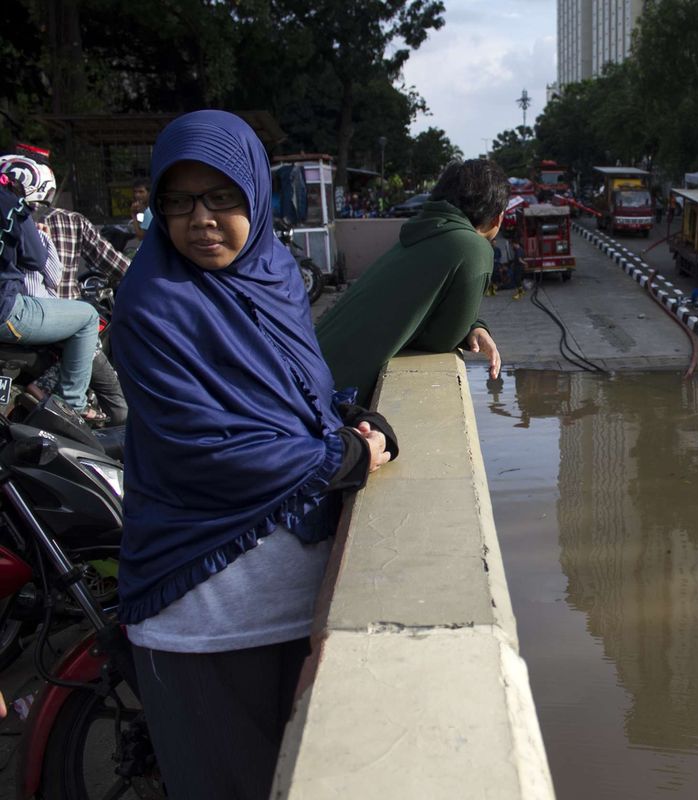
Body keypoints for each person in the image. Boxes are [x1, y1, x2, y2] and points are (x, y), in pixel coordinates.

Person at [109, 110, 396, 799]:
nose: (200, 219)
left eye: (222, 198)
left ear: (258, 200)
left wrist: (356, 419)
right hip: (204, 615)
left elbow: (300, 394)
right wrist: (343, 459)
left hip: (298, 604)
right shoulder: (151, 305)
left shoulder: (273, 279)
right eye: (177, 202)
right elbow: (200, 453)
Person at [317, 159, 506, 398]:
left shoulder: (424, 231)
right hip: (325, 398)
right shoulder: (473, 248)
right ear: (497, 218)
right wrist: (472, 328)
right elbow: (442, 339)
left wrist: (474, 327)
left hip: (304, 368)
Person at [1, 149, 128, 423]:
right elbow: (47, 266)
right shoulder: (50, 218)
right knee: (89, 320)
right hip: (25, 317)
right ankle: (70, 403)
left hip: (20, 323)